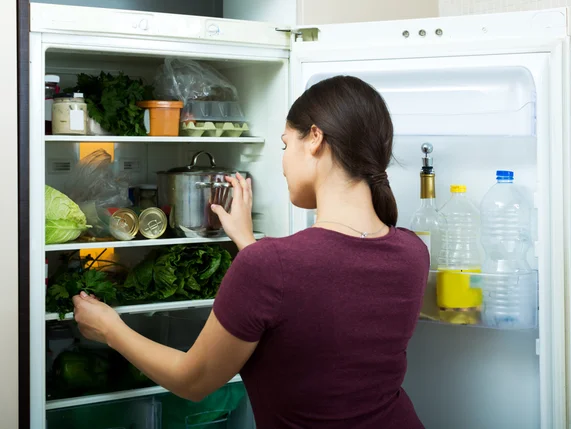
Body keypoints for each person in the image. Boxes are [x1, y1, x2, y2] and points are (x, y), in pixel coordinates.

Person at [73, 75, 429, 429]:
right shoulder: (412, 252)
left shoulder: (271, 266)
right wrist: (247, 243)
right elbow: (316, 295)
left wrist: (109, 327)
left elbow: (193, 380)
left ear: (316, 139)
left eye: (285, 145)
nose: (283, 162)